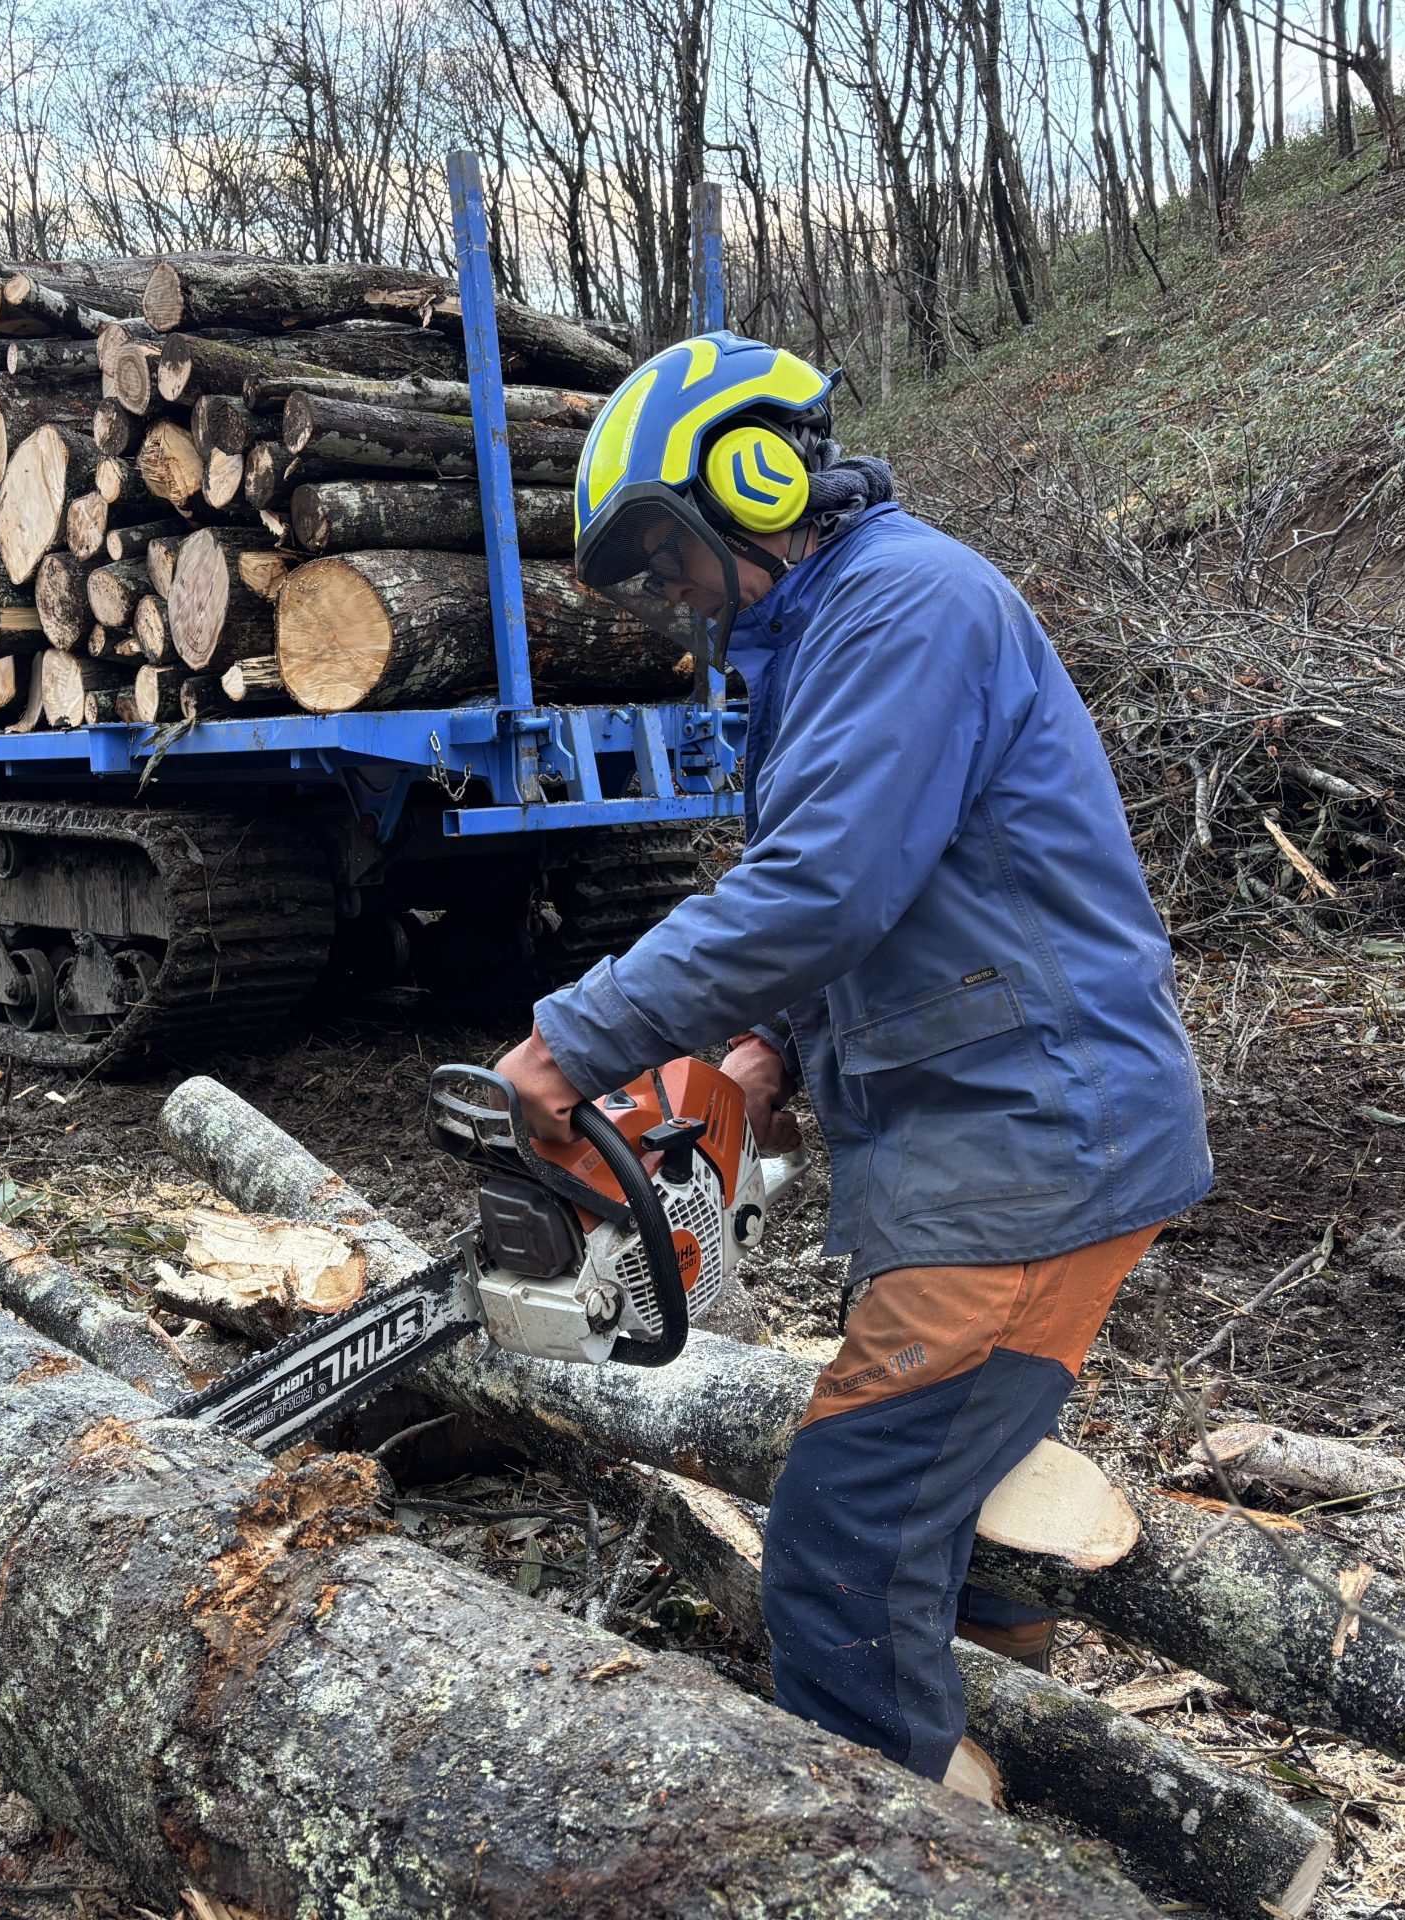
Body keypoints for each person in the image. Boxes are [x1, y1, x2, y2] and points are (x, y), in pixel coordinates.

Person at [493, 330, 1212, 1787]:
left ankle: (896, 1851)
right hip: (997, 1130)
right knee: (943, 1481)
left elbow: (823, 886)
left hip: (1035, 1141)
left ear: (757, 482)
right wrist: (762, 1053)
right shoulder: (839, 633)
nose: (673, 600)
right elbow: (892, 905)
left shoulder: (902, 608)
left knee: (842, 1539)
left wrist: (575, 1041)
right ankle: (1009, 1757)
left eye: (669, 558)